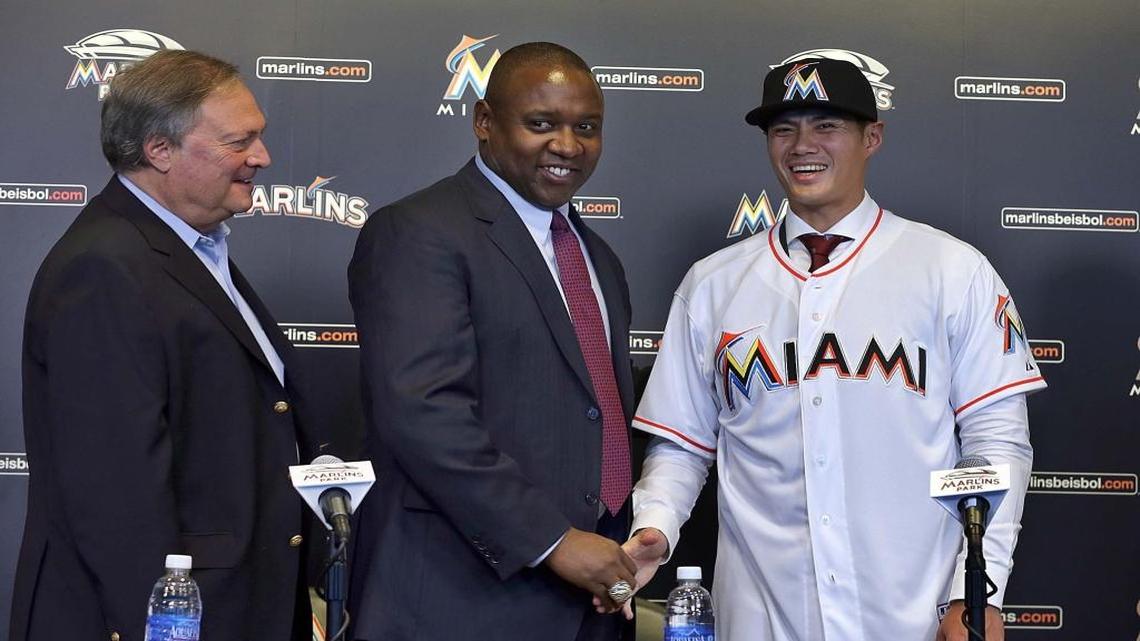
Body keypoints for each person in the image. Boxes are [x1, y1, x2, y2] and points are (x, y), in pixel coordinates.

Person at [620, 58, 1046, 640]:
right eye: (783, 129)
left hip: (910, 613)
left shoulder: (950, 269)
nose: (802, 146)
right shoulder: (713, 284)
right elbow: (681, 445)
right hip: (762, 616)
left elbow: (996, 443)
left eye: (827, 126)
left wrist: (977, 589)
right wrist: (657, 525)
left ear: (872, 137)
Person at [11, 50, 323, 641]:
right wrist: (166, 627)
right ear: (159, 150)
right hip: (165, 619)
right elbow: (115, 491)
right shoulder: (104, 267)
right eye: (240, 141)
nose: (262, 157)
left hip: (237, 607)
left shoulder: (194, 251)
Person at [347, 42, 638, 641]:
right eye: (541, 124)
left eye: (587, 127)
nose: (567, 145)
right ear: (483, 122)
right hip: (461, 599)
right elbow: (424, 413)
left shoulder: (598, 257)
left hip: (594, 603)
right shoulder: (419, 232)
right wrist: (552, 541)